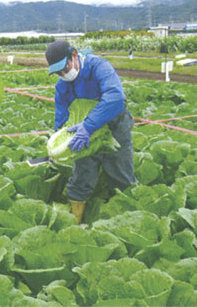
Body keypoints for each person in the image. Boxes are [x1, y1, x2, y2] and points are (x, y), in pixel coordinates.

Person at [46, 40, 137, 223]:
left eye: (66, 68)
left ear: (74, 55)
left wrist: (88, 126)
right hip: (83, 137)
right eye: (58, 73)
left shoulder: (99, 67)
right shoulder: (62, 86)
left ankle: (130, 220)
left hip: (114, 129)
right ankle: (75, 223)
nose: (64, 74)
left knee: (122, 175)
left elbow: (115, 97)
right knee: (81, 178)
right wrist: (64, 141)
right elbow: (62, 120)